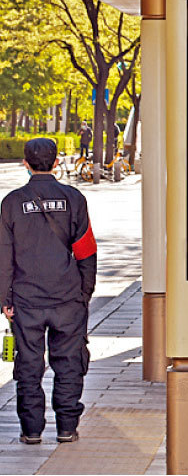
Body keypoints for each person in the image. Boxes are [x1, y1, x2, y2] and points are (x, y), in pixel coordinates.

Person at [0, 138, 96, 444]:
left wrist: (5, 299)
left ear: (25, 163)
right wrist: (85, 292)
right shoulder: (74, 199)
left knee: (28, 365)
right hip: (68, 298)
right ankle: (67, 427)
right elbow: (86, 251)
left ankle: (31, 430)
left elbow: (4, 255)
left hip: (26, 301)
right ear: (56, 163)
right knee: (69, 362)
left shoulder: (12, 203)